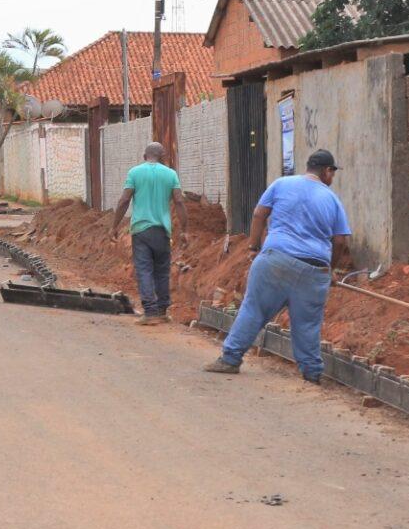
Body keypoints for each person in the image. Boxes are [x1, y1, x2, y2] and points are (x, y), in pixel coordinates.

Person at [204, 149, 352, 384]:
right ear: (326, 172)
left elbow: (259, 214)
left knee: (253, 310)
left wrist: (253, 247)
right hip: (313, 271)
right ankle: (312, 373)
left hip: (274, 261)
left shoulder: (282, 183)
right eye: (332, 173)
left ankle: (230, 359)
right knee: (306, 324)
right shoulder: (332, 199)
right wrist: (328, 270)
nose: (332, 178)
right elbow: (340, 241)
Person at [110, 142, 189, 325]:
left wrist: (114, 226)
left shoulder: (135, 173)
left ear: (145, 156)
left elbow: (124, 200)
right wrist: (185, 230)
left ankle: (150, 312)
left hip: (141, 231)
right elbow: (179, 201)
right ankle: (162, 310)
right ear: (163, 157)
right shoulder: (170, 174)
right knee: (162, 271)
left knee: (144, 270)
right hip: (162, 231)